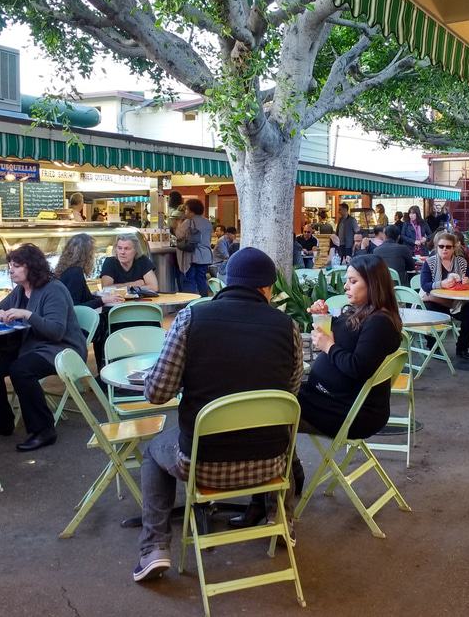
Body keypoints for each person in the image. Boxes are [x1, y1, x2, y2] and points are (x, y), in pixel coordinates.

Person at [131, 247, 303, 582]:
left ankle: (154, 548)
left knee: (153, 451)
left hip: (201, 466)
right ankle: (281, 521)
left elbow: (157, 393)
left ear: (225, 282)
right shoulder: (288, 327)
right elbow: (290, 393)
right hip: (271, 466)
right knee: (281, 432)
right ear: (267, 289)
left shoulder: (191, 319)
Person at [0, 244, 87, 451]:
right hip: (31, 345)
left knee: (21, 370)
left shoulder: (54, 289)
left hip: (60, 349)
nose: (11, 270)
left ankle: (43, 430)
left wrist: (27, 315)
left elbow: (56, 331)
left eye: (16, 266)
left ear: (31, 267)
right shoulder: (21, 290)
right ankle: (0, 421)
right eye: (10, 266)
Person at [298, 254, 401, 438]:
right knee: (278, 399)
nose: (346, 287)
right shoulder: (363, 312)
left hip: (351, 413)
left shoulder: (380, 323)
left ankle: (289, 465)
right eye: (347, 281)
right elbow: (347, 333)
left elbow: (358, 367)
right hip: (330, 400)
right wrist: (325, 315)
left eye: (353, 281)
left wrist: (329, 346)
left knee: (277, 412)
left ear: (373, 283)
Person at [420, 231, 469, 359]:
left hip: (456, 301)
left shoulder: (461, 262)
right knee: (430, 310)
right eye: (441, 246)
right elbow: (425, 285)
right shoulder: (430, 262)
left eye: (448, 247)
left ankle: (462, 348)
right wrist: (442, 283)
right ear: (437, 247)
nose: (444, 249)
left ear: (454, 248)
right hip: (436, 300)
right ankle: (433, 346)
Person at [55, 233, 124, 309]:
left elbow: (81, 298)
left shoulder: (67, 270)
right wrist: (103, 300)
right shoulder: (75, 273)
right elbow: (75, 308)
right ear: (88, 254)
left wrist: (100, 297)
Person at [176, 199, 212, 296]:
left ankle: (190, 303)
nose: (185, 212)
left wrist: (179, 223)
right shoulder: (207, 222)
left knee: (189, 280)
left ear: (192, 211)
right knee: (201, 280)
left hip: (193, 257)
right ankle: (204, 301)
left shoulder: (188, 222)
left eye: (186, 210)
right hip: (205, 256)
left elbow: (178, 235)